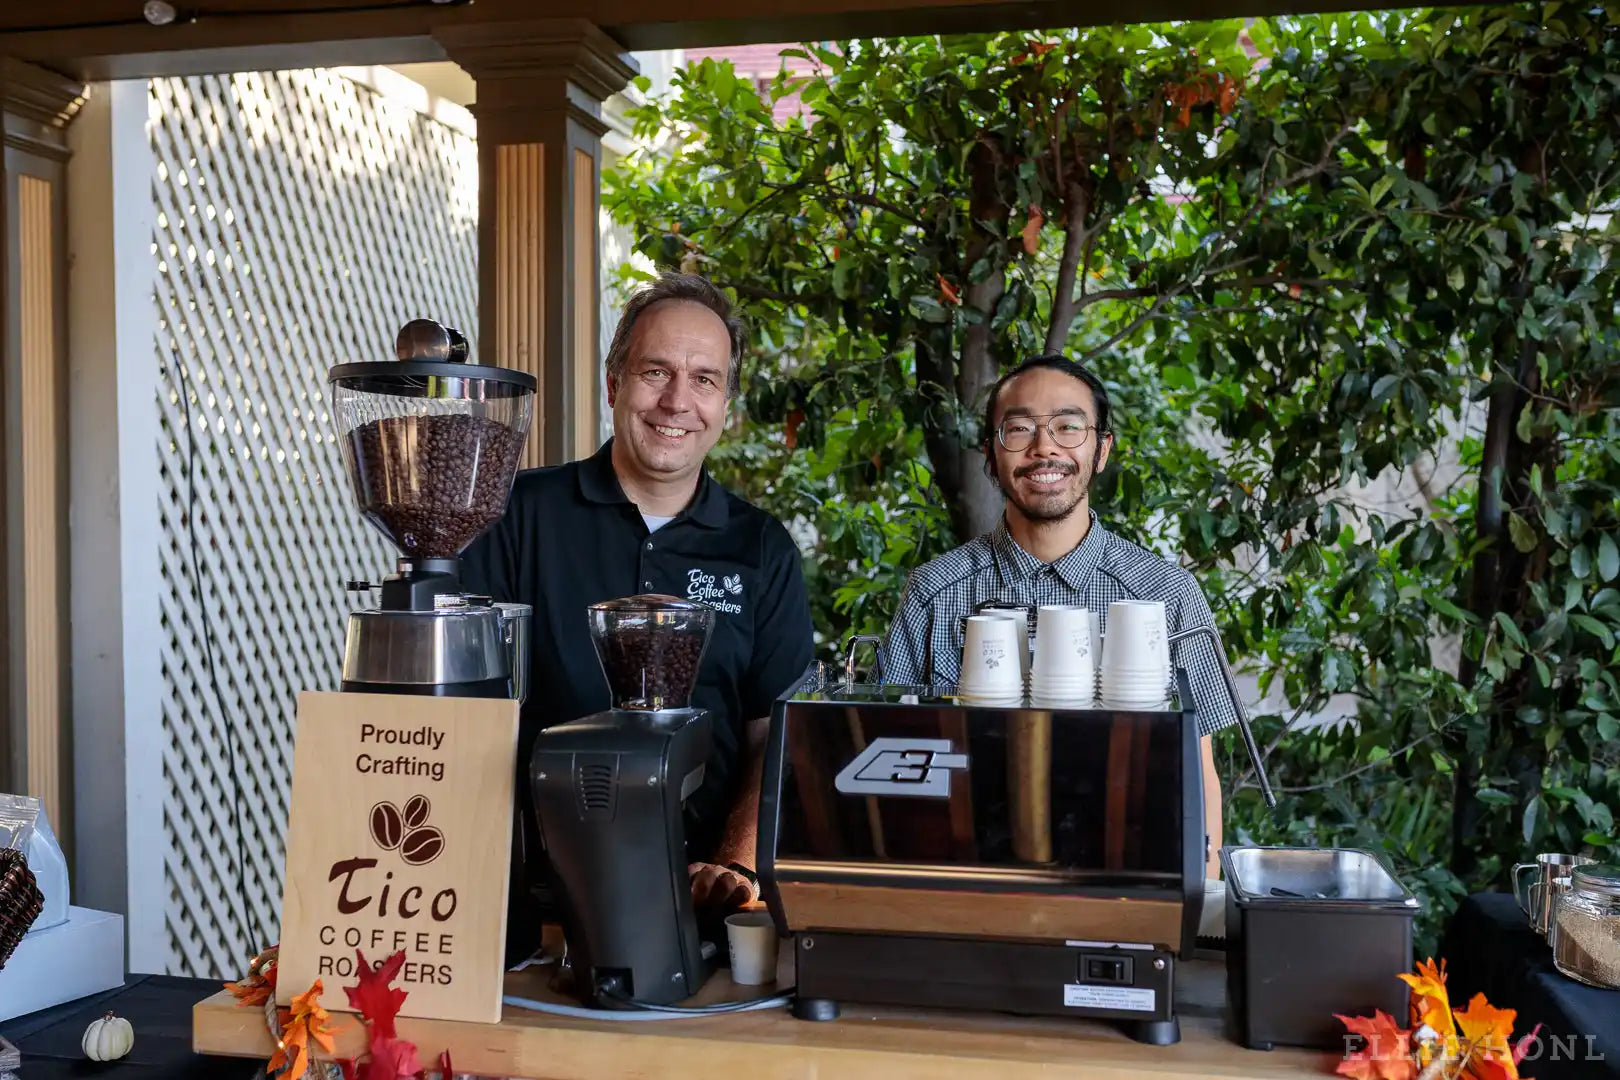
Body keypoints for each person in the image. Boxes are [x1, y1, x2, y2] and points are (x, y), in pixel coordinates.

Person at [462, 272, 814, 966]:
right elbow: (467, 715)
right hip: (529, 915)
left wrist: (734, 869)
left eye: (705, 379)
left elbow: (774, 734)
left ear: (726, 404)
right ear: (614, 381)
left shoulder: (760, 548)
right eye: (656, 371)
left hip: (701, 914)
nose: (678, 401)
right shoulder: (518, 515)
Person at [882, 354, 1235, 874]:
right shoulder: (935, 593)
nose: (1044, 447)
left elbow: (1197, 776)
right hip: (964, 880)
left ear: (1102, 450)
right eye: (1020, 429)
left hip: (1126, 881)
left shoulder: (1166, 595)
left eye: (1068, 427)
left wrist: (1195, 913)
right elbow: (893, 755)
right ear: (990, 454)